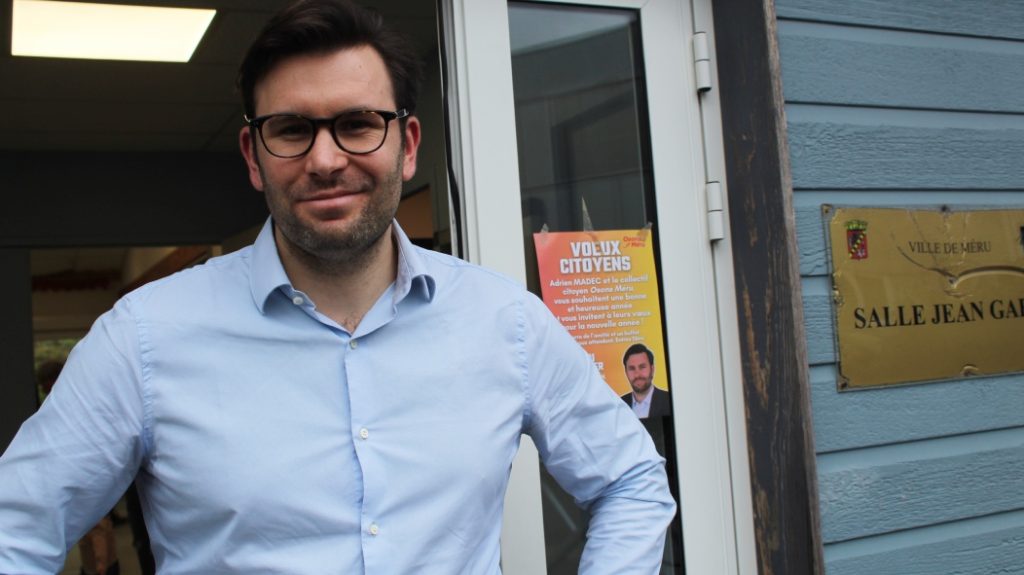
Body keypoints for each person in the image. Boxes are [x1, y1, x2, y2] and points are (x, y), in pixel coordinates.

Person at [0, 1, 675, 573]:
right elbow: (16, 529)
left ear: (407, 145)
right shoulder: (143, 339)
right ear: (254, 157)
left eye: (356, 123)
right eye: (292, 129)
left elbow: (633, 480)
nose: (326, 160)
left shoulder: (505, 322)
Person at [620, 343, 672, 419]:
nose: (637, 375)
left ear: (652, 369)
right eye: (632, 368)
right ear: (626, 372)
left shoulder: (669, 400)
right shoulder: (620, 404)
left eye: (642, 367)